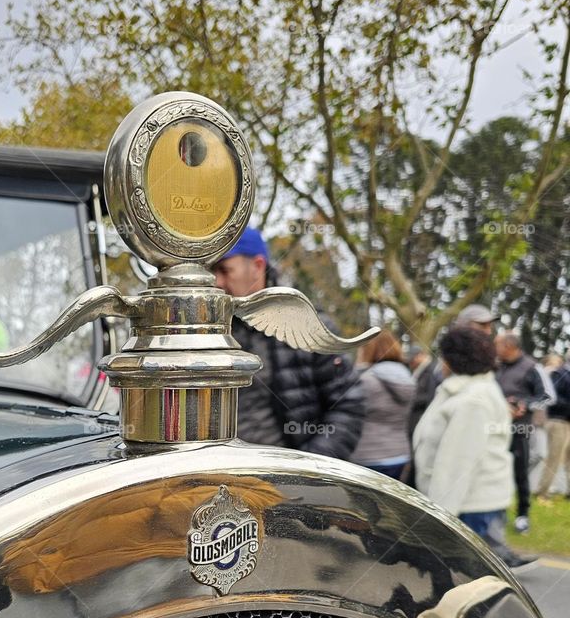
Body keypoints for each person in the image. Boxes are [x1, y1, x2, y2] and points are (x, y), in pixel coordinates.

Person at [213, 228, 365, 458]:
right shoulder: (211, 331)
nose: (217, 281)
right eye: (212, 271)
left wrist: (309, 469)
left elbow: (348, 404)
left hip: (294, 483)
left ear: (257, 266)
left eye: (225, 269)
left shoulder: (309, 326)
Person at [413, 326, 517, 550]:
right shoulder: (466, 390)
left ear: (451, 359)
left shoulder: (472, 400)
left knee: (465, 582)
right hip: (468, 505)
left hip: (467, 509)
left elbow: (456, 464)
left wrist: (440, 520)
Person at [495, 331, 547, 534]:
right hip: (497, 428)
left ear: (509, 346)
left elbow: (545, 396)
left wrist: (525, 404)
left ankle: (522, 516)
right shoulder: (497, 365)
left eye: (498, 345)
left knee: (520, 472)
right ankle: (497, 512)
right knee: (497, 470)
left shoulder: (532, 367)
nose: (495, 348)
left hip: (520, 429)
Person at [351, 331, 414, 477]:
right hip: (400, 453)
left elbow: (352, 412)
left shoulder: (367, 380)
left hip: (369, 455)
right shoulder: (407, 377)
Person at [536, 352, 570, 502]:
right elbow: (552, 398)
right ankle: (542, 493)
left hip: (566, 421)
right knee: (554, 458)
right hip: (558, 421)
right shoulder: (559, 373)